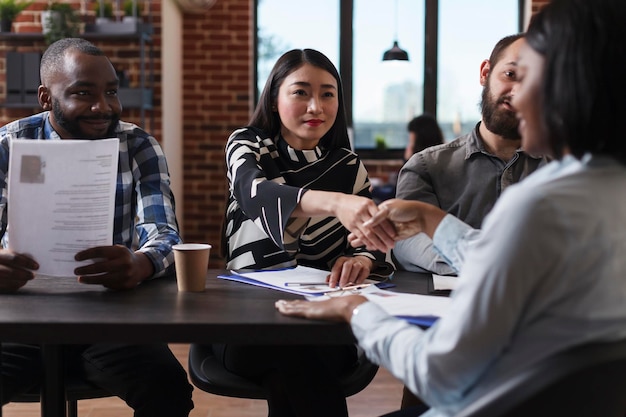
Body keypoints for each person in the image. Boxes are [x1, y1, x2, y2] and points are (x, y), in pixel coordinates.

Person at [275, 1, 626, 416]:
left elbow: (440, 374)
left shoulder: (541, 206)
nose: (515, 95)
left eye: (530, 74)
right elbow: (509, 259)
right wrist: (431, 219)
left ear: (568, 85)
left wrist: (357, 311)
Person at [0, 38, 194, 416]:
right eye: (83, 93)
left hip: (110, 315)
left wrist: (141, 264)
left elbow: (166, 236)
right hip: (19, 315)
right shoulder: (9, 145)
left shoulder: (138, 145)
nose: (102, 107)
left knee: (167, 390)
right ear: (45, 97)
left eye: (110, 92)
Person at [217, 48, 391, 417]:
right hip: (245, 317)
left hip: (324, 320)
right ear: (275, 98)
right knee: (297, 362)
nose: (316, 106)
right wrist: (334, 203)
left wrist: (359, 257)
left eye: (328, 94)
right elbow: (256, 195)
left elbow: (374, 244)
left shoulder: (348, 166)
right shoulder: (247, 144)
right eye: (300, 92)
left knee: (291, 373)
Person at [393, 33, 547, 275]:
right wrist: (499, 266)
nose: (518, 92)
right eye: (511, 74)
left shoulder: (562, 169)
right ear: (485, 72)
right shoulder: (426, 166)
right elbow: (408, 242)